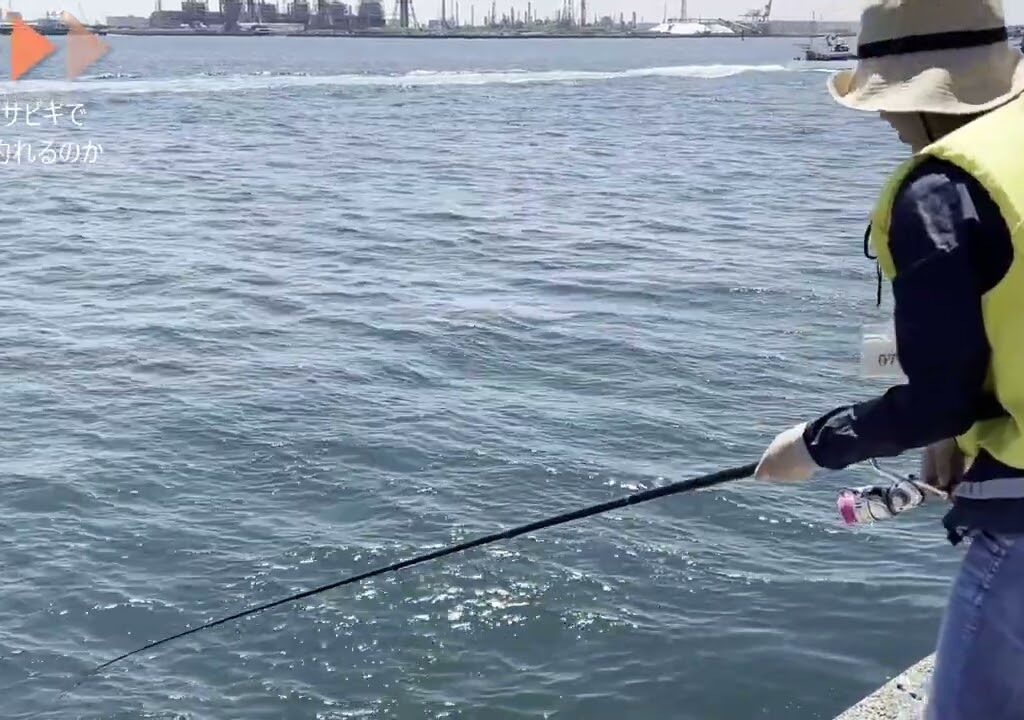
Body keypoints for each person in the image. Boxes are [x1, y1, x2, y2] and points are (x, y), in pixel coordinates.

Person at [753, 1, 1024, 718]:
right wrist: (954, 432)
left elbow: (940, 395)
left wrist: (812, 447)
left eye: (887, 99)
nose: (883, 118)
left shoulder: (941, 192)